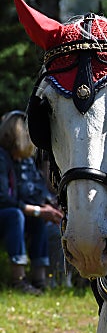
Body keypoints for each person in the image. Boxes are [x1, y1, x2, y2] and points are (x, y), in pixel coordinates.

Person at [0, 110, 63, 294]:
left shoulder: (20, 160)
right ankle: (18, 280)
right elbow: (4, 199)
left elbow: (32, 190)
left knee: (38, 221)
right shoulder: (1, 158)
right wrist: (37, 210)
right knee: (16, 216)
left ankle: (39, 279)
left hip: (15, 211)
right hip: (7, 213)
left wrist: (47, 205)